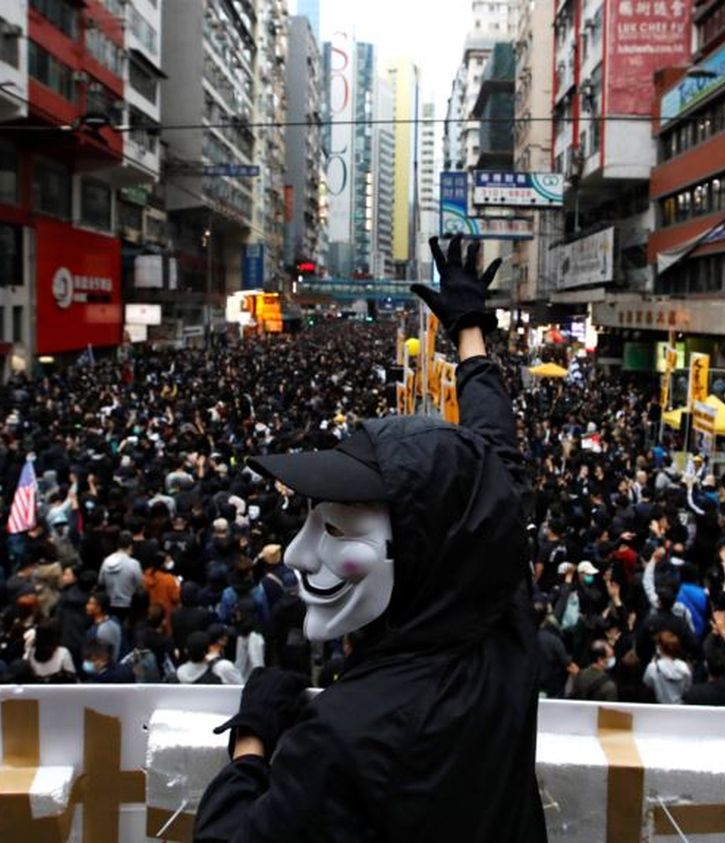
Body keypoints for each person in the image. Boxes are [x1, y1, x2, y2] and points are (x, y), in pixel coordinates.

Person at [193, 234, 545, 841]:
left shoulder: (341, 736)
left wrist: (251, 742)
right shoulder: (497, 620)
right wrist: (470, 336)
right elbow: (494, 459)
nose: (300, 554)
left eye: (335, 529)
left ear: (416, 551)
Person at [99, 533, 143, 620]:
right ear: (130, 546)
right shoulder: (134, 564)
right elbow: (139, 585)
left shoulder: (107, 561)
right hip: (128, 604)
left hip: (110, 603)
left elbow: (101, 581)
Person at [643, 629, 691, 704]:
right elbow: (687, 689)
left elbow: (647, 684)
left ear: (659, 648)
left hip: (659, 708)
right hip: (680, 708)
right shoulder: (684, 667)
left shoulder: (653, 667)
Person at [83, 594, 124, 664]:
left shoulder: (94, 632)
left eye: (91, 604)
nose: (87, 606)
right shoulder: (115, 621)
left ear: (99, 608)